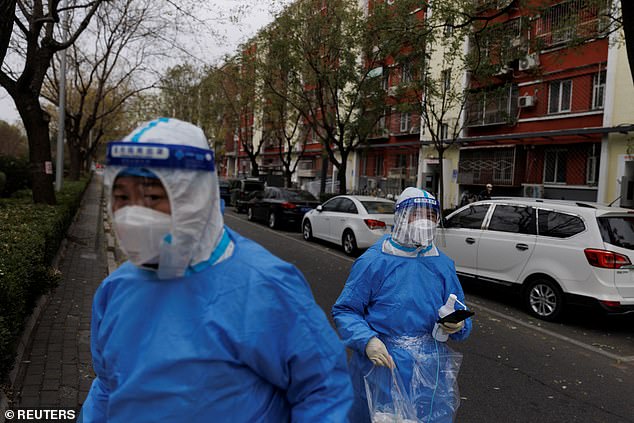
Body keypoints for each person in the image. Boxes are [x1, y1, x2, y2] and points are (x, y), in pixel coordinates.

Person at [79, 118, 352, 422]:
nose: (132, 215)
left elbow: (323, 390)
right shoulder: (115, 289)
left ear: (194, 196)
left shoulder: (267, 286)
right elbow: (106, 386)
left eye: (152, 197)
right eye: (122, 198)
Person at [332, 187, 472, 423]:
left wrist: (458, 324)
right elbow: (346, 310)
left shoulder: (442, 264)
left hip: (431, 372)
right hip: (382, 367)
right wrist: (367, 340)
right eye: (417, 214)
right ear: (401, 217)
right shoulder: (375, 261)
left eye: (431, 215)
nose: (425, 222)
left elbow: (459, 312)